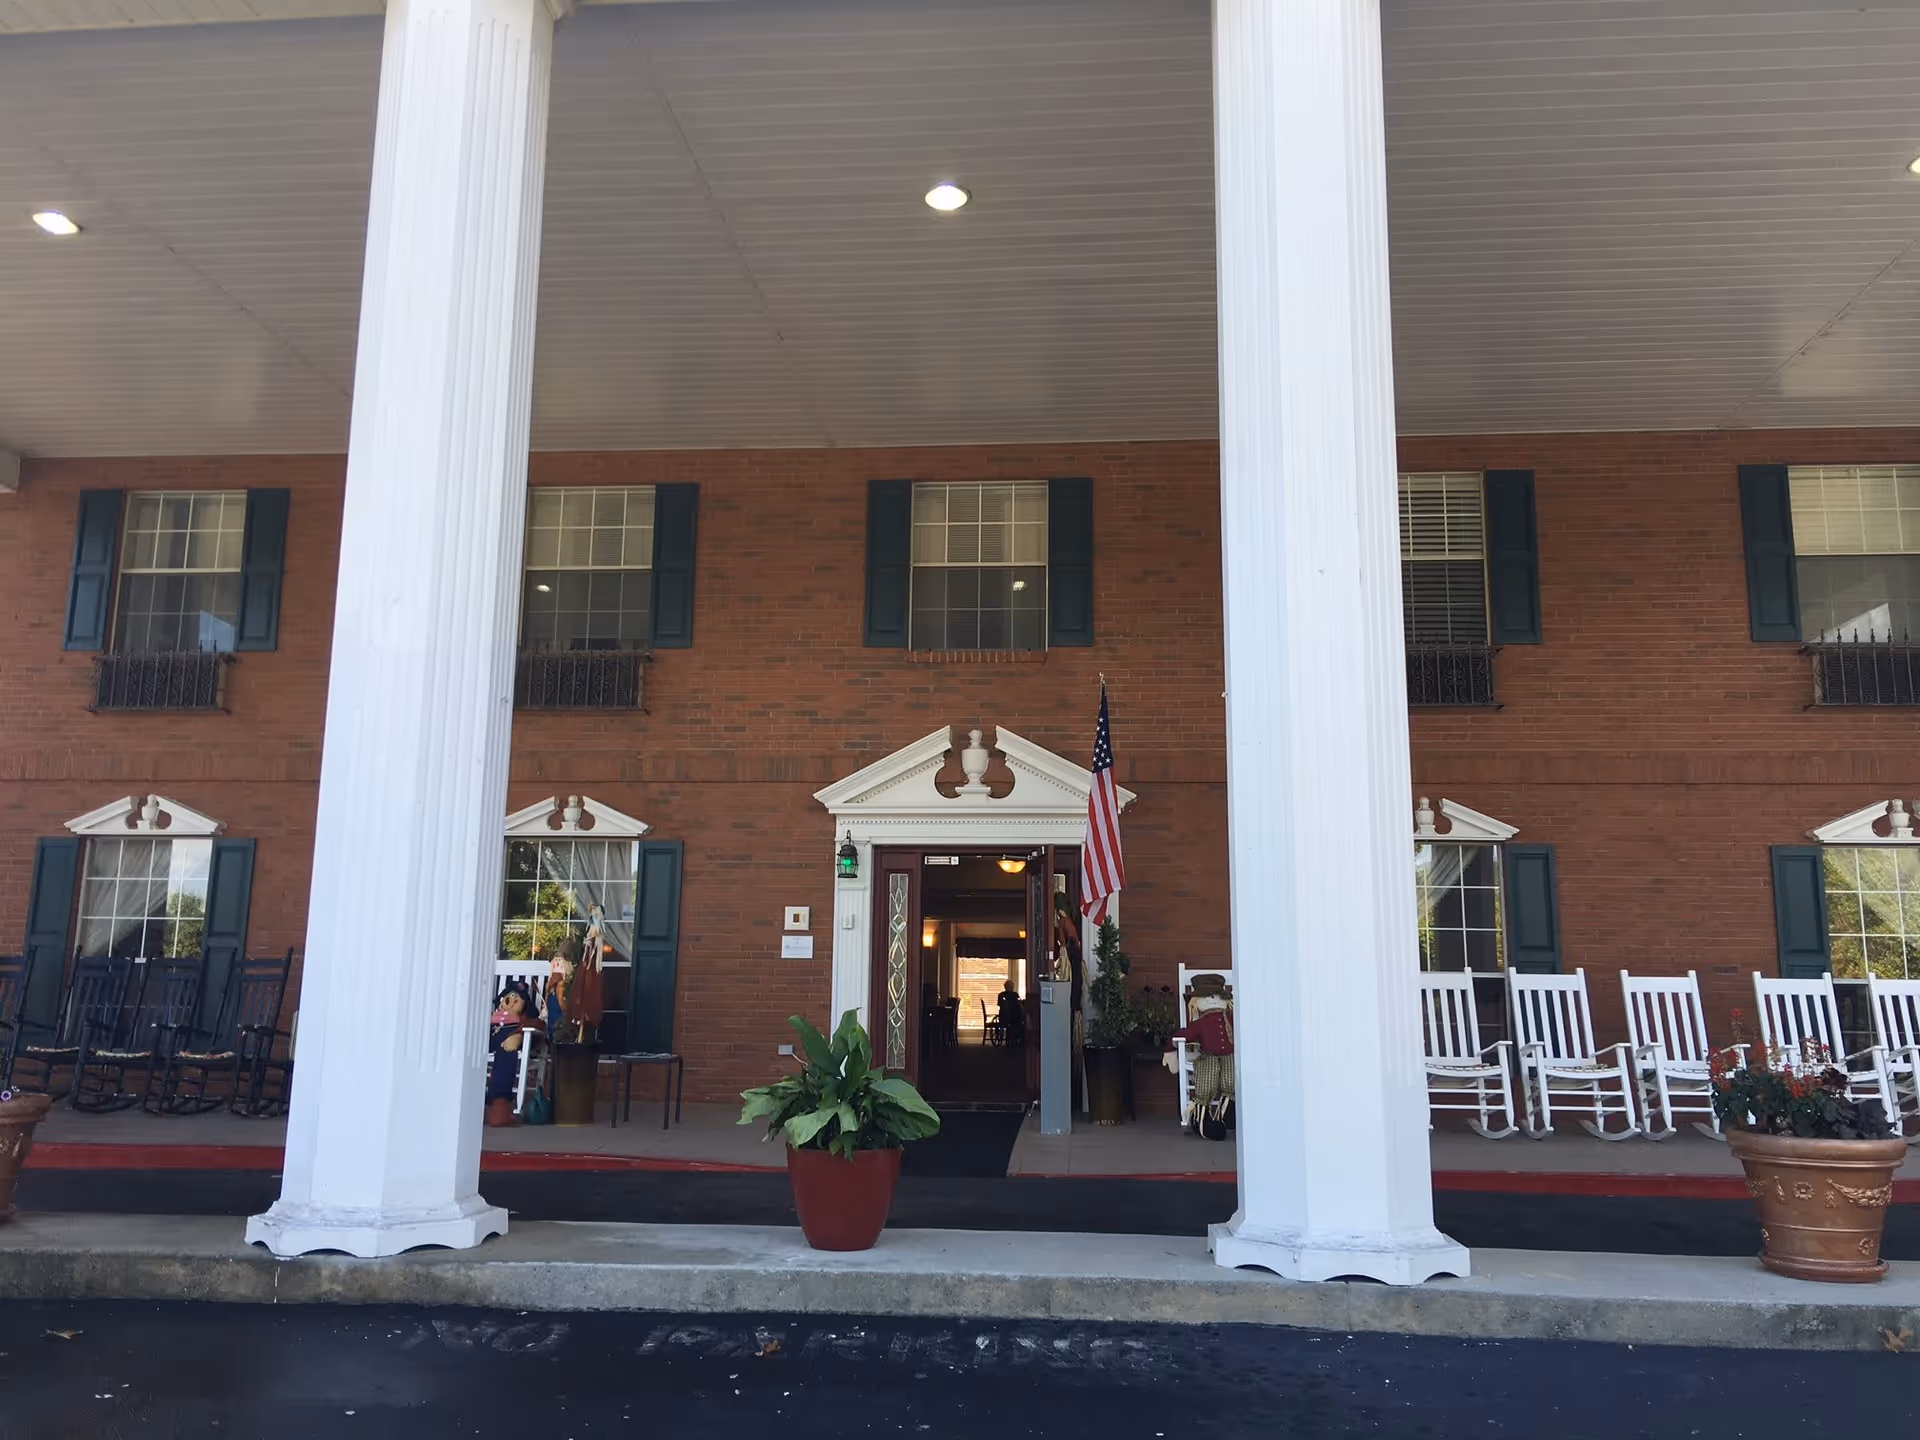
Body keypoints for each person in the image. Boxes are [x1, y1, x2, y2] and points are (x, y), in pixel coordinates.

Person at [486, 982, 541, 1126]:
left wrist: (517, 1035)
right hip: (489, 1041)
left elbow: (538, 1024)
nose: (511, 1001)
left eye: (517, 997)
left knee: (507, 1053)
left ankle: (500, 1102)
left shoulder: (524, 1020)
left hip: (508, 1045)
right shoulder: (492, 1018)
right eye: (507, 997)